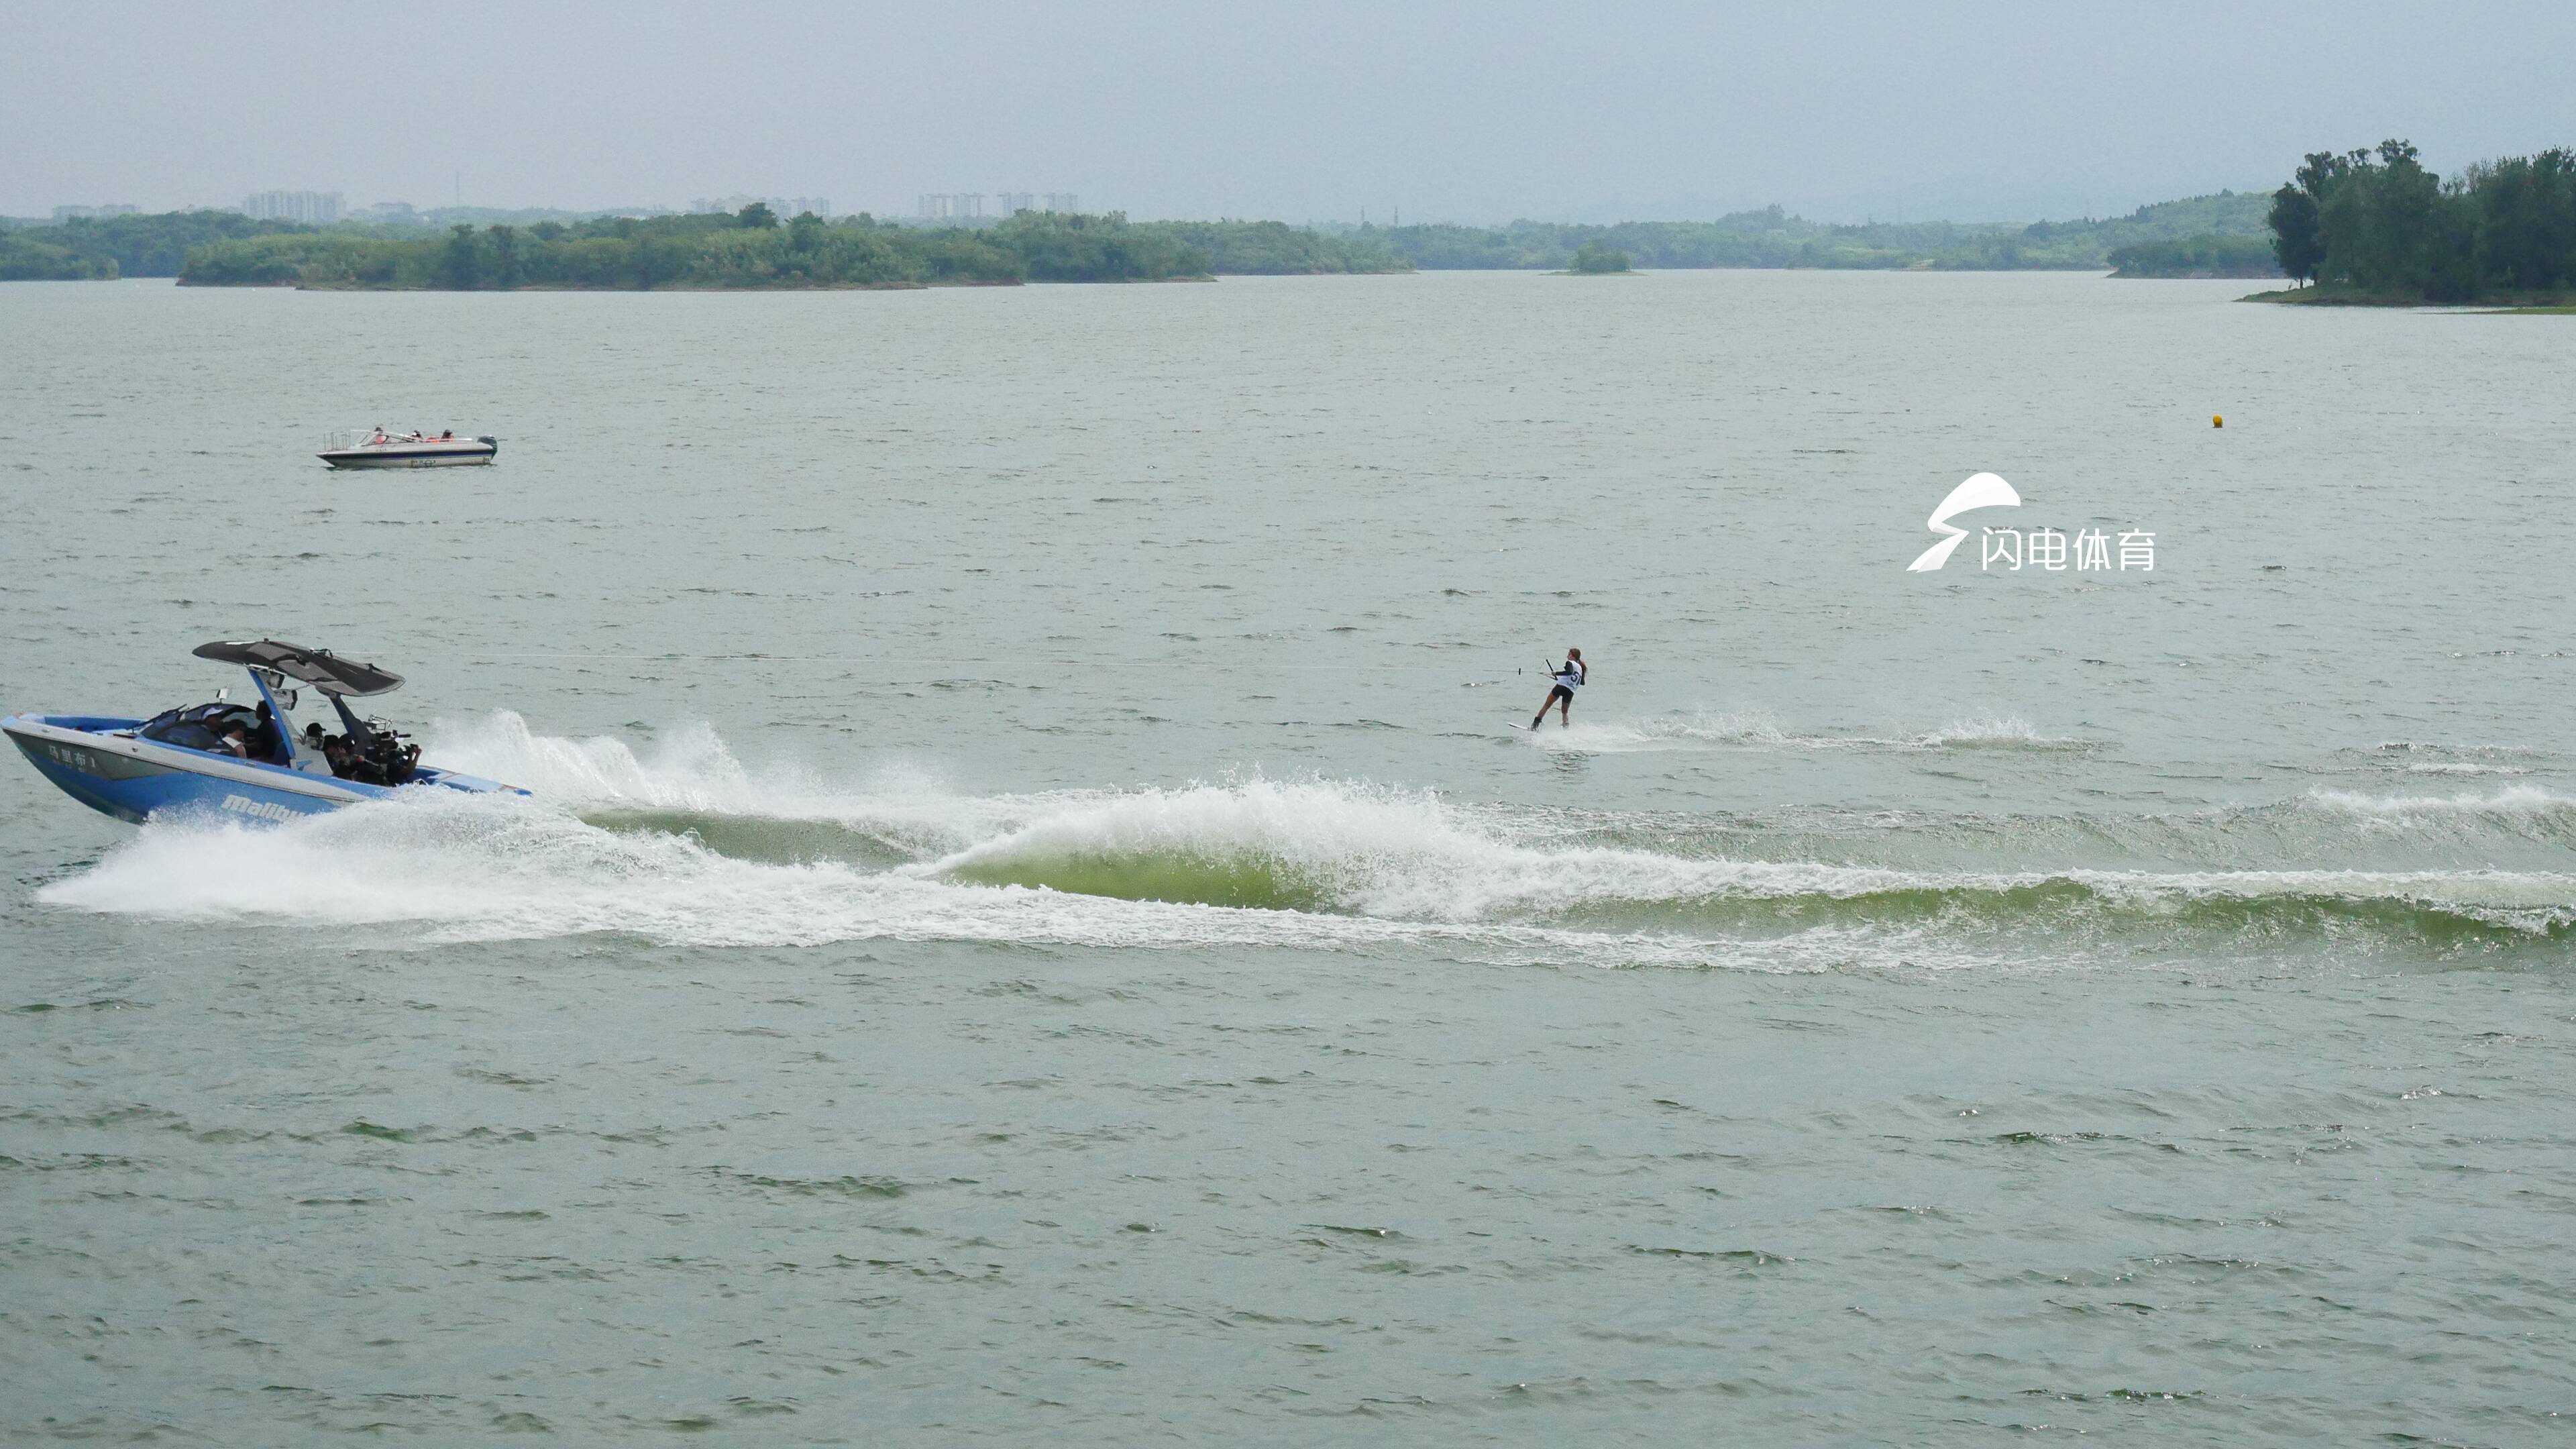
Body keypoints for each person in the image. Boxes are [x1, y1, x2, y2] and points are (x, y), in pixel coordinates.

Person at [1529, 647, 1587, 729]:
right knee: (1565, 711)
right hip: (1570, 692)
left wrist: (1556, 673)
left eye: (1569, 654)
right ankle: (1566, 729)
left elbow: (1569, 672)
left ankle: (1535, 726)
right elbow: (1582, 683)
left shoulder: (1570, 663)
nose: (1568, 656)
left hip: (1561, 687)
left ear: (1573, 656)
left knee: (1547, 705)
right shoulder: (1581, 668)